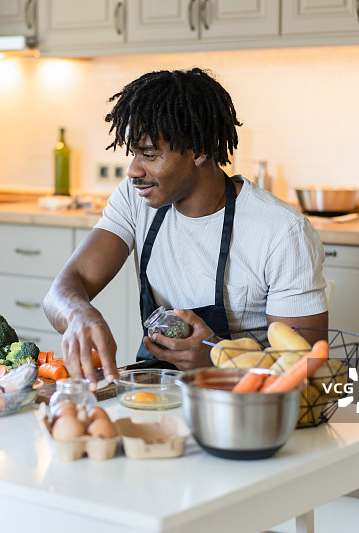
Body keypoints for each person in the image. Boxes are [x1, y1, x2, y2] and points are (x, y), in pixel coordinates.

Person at [43, 67, 327, 386]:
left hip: (242, 400)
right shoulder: (135, 198)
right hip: (155, 391)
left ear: (199, 150)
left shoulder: (281, 231)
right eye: (133, 154)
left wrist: (216, 355)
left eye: (150, 155)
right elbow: (63, 289)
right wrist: (77, 313)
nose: (133, 170)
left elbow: (307, 371)